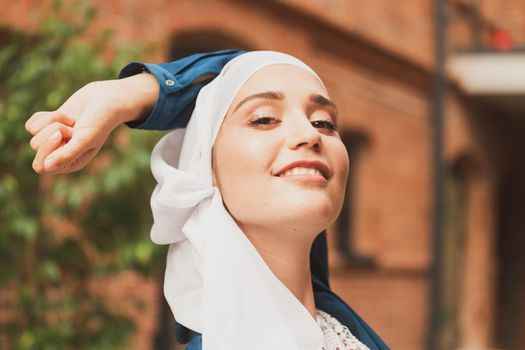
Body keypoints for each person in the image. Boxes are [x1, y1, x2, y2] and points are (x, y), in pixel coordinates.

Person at [26, 50, 389, 350]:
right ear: (206, 170)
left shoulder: (334, 323)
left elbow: (261, 65)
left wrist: (132, 94)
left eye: (325, 122)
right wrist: (133, 94)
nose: (309, 134)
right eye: (264, 118)